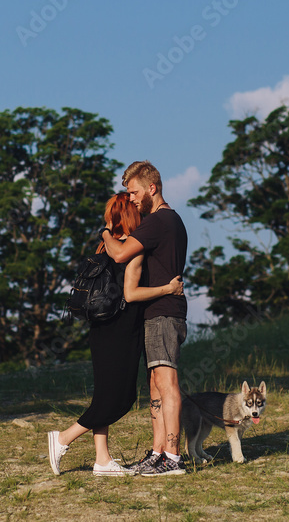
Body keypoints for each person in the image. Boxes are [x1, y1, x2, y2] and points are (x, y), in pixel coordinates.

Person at [47, 192, 184, 477]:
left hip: (100, 329)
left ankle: (102, 459)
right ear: (131, 215)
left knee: (104, 397)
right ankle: (63, 438)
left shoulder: (103, 246)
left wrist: (107, 230)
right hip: (120, 332)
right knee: (120, 400)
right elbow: (130, 294)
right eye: (134, 208)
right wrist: (168, 289)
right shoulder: (131, 250)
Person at [102, 161, 189, 477]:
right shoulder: (173, 221)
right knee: (155, 383)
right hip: (161, 313)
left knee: (166, 383)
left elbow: (120, 254)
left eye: (135, 191)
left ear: (152, 188)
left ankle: (173, 458)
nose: (133, 199)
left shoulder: (157, 222)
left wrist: (105, 232)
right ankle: (157, 453)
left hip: (164, 313)